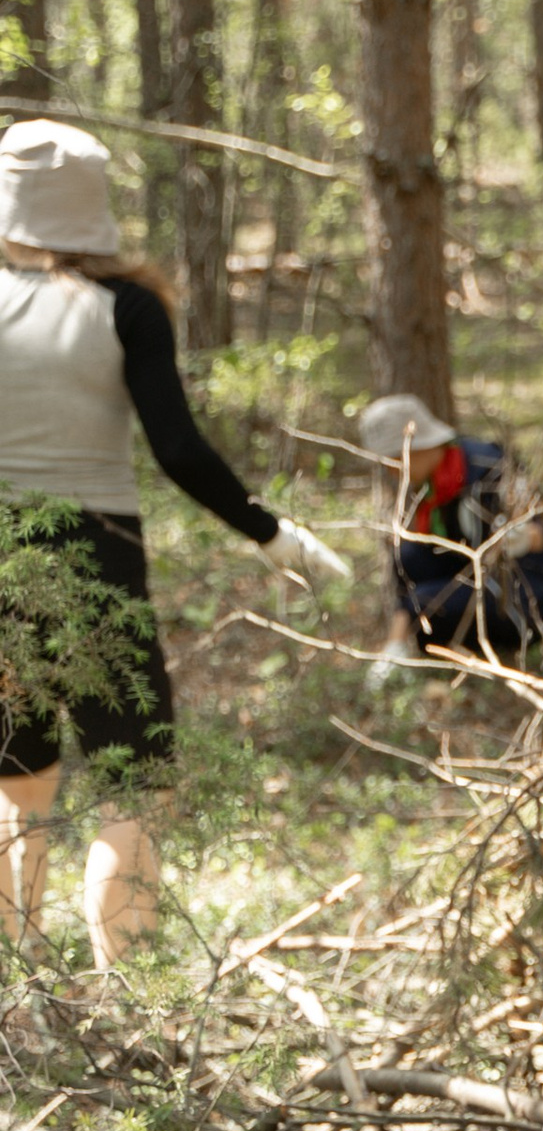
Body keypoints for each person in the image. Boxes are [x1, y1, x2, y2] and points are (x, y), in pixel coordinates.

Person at [0, 117, 348, 965]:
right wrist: (274, 537)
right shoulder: (127, 306)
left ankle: (17, 1004)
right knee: (132, 787)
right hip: (100, 558)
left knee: (17, 784)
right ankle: (136, 1005)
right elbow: (180, 450)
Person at [358, 394, 543, 666]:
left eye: (394, 458)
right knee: (407, 557)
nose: (391, 470)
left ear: (417, 445)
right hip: (472, 580)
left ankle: (407, 645)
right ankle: (398, 649)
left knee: (425, 607)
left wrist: (525, 538)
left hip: (524, 598)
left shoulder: (489, 467)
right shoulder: (429, 484)